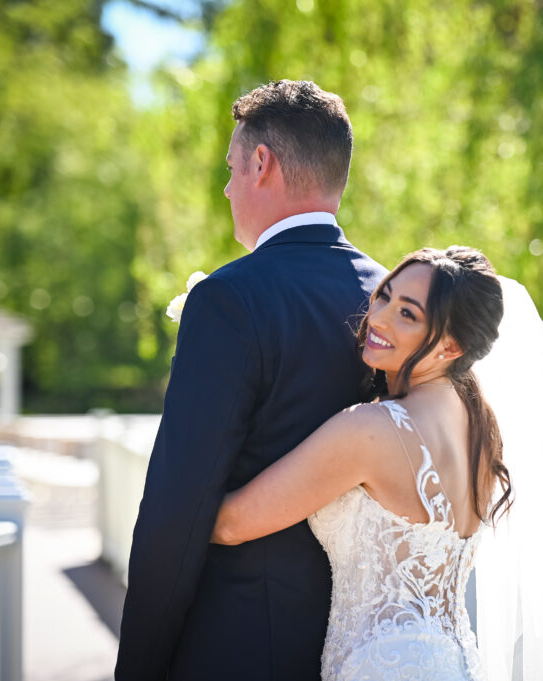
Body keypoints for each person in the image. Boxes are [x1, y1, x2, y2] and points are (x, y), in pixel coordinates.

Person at [115, 80, 388, 681]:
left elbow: (177, 508)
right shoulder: (397, 299)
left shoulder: (229, 299)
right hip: (369, 642)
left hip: (241, 643)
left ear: (262, 163)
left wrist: (136, 666)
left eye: (232, 168)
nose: (226, 186)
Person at [211, 246, 511, 681]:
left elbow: (231, 524)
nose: (379, 317)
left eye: (407, 314)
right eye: (384, 295)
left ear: (451, 345)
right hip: (456, 661)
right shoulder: (480, 431)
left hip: (385, 668)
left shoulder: (370, 430)